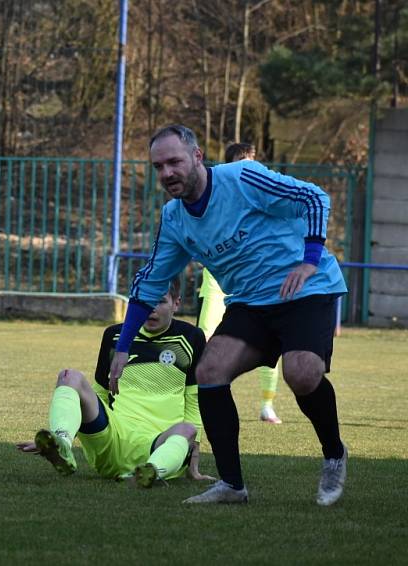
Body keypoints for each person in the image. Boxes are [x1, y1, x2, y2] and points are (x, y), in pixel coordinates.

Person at [109, 124, 348, 506]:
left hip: (304, 289)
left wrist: (309, 260)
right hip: (251, 302)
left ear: (198, 157)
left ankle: (334, 454)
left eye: (174, 161)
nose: (167, 173)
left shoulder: (243, 177)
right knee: (209, 370)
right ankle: (232, 485)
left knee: (301, 374)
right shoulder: (174, 218)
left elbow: (313, 197)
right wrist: (123, 346)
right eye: (158, 166)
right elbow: (151, 282)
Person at [17, 279, 215, 487]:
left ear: (176, 303)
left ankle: (149, 472)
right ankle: (62, 444)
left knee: (186, 429)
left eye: (160, 302)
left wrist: (193, 463)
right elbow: (100, 393)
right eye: (144, 302)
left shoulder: (191, 337)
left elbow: (193, 399)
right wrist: (65, 437)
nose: (151, 309)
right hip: (112, 440)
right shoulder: (114, 336)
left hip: (160, 444)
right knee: (69, 376)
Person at [198, 142, 282, 424]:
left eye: (251, 160)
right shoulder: (215, 190)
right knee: (203, 337)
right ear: (227, 165)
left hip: (255, 280)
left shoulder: (265, 190)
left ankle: (267, 405)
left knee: (272, 340)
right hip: (217, 280)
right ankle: (197, 396)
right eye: (241, 161)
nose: (248, 165)